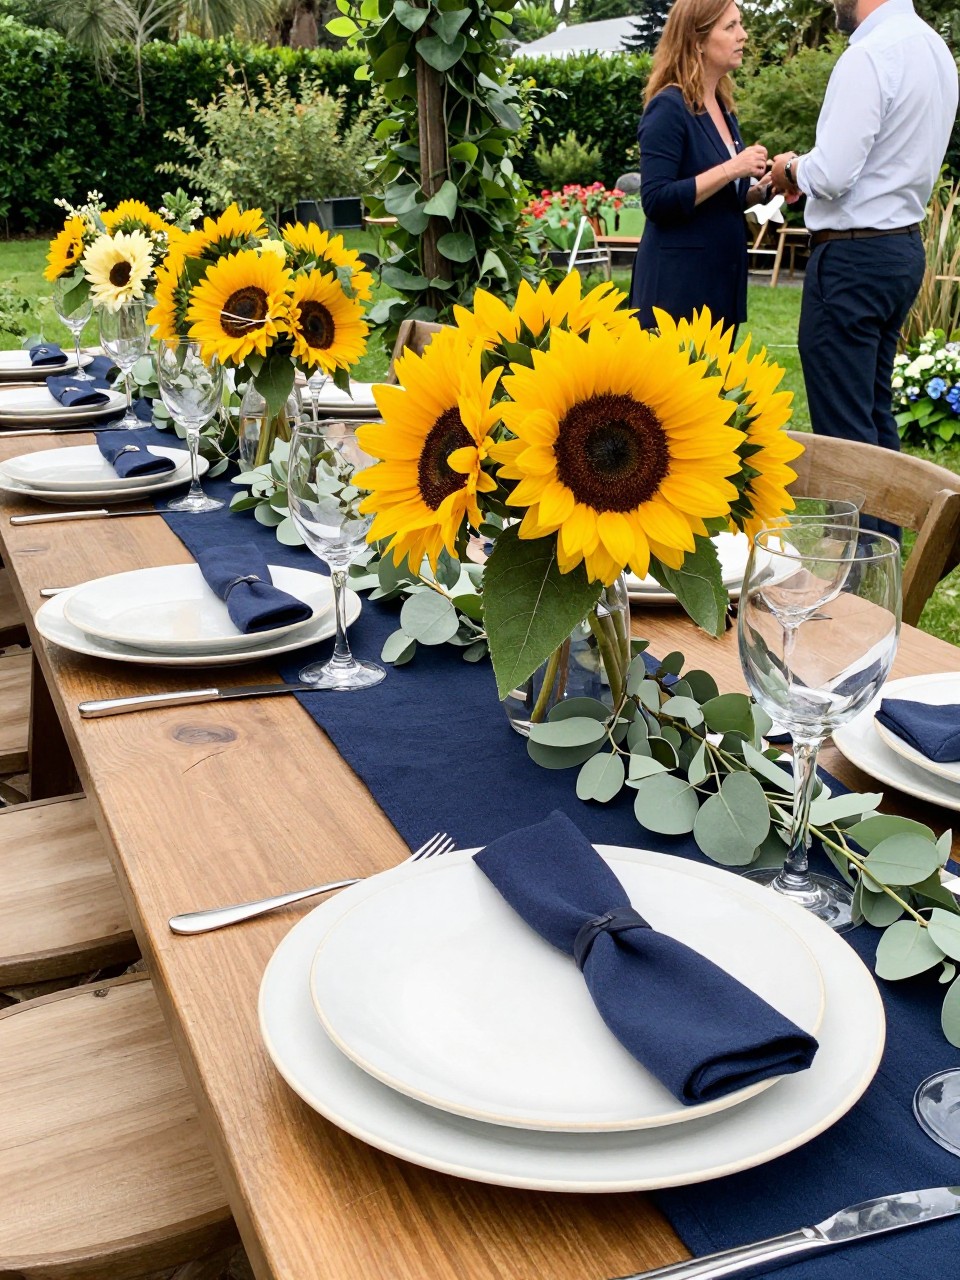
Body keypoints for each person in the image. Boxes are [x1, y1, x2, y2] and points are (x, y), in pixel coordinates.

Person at [769, 0, 958, 501]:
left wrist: (789, 168)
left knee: (844, 431)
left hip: (853, 256)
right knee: (873, 412)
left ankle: (858, 547)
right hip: (901, 247)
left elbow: (832, 174)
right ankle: (884, 541)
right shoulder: (934, 49)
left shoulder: (870, 54)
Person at [629, 0, 771, 333]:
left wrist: (763, 190)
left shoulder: (722, 107)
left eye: (740, 24)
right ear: (697, 41)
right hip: (677, 294)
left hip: (719, 286)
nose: (743, 35)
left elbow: (720, 198)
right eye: (730, 27)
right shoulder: (668, 107)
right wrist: (733, 168)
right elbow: (656, 199)